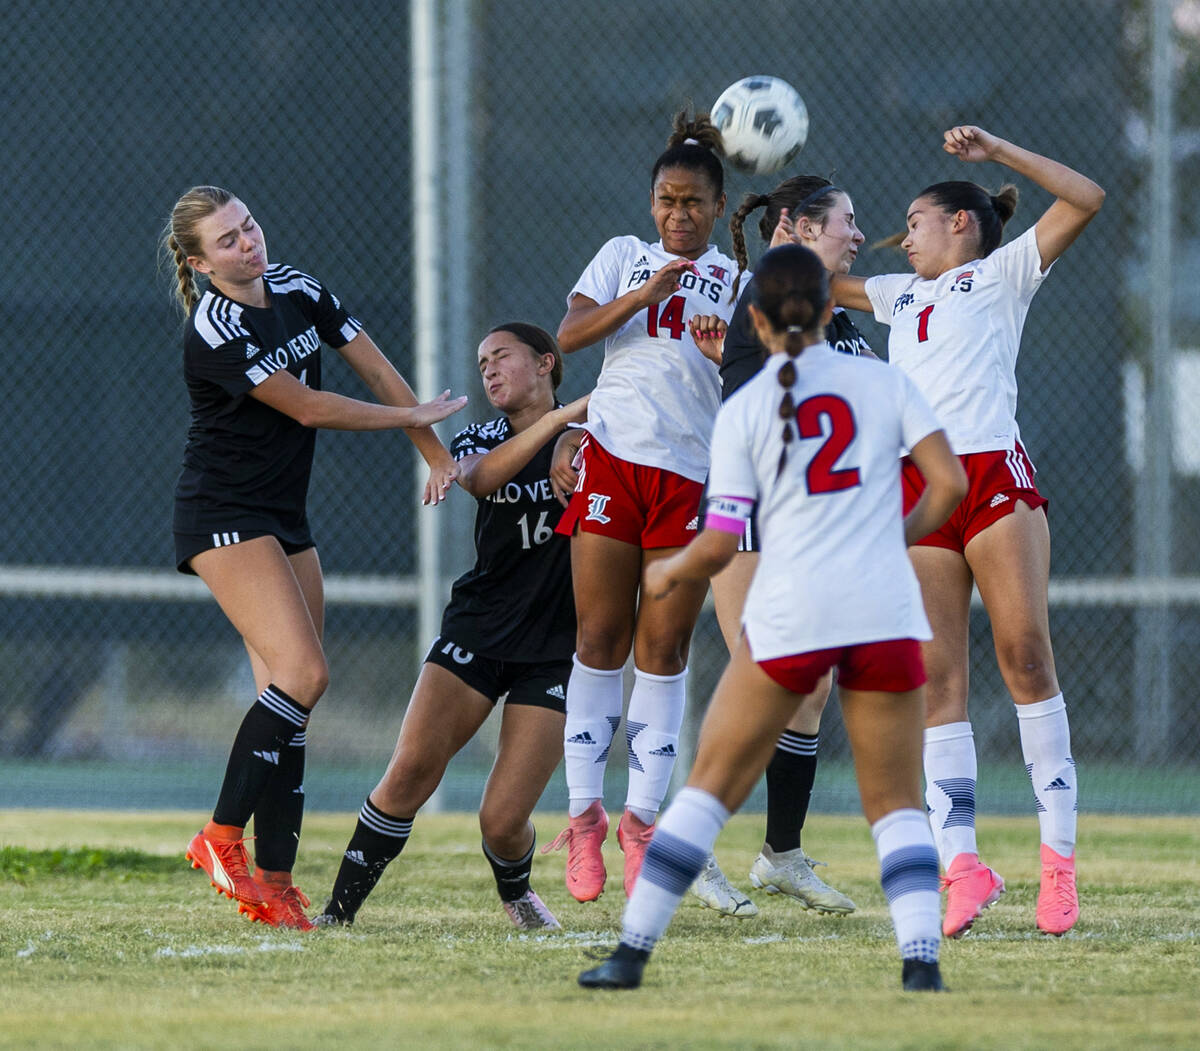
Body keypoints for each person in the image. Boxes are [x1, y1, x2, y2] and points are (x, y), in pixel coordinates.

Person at [577, 243, 967, 992]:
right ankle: (920, 962)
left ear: (752, 316)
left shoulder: (747, 405)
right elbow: (946, 482)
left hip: (796, 608)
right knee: (893, 801)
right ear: (830, 310)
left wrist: (674, 568)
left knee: (709, 787)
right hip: (882, 604)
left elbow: (721, 540)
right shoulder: (881, 380)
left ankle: (630, 955)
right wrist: (893, 536)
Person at [163, 185, 466, 930]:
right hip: (223, 517)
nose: (248, 243)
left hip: (281, 516)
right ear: (200, 264)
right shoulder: (214, 326)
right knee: (305, 673)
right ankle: (220, 837)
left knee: (290, 699)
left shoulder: (297, 285)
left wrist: (432, 452)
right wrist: (408, 417)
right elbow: (307, 405)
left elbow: (374, 368)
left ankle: (273, 883)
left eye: (250, 225)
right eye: (228, 241)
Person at [830, 125, 1105, 937]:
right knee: (936, 680)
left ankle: (1060, 868)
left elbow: (1085, 195)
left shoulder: (1004, 272)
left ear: (962, 222)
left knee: (1025, 656)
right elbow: (799, 283)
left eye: (916, 219)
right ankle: (964, 865)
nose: (902, 232)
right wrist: (803, 229)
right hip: (918, 485)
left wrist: (1000, 155)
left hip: (990, 475)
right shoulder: (894, 294)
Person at [315, 324, 588, 930]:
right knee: (409, 772)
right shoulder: (484, 434)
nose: (489, 370)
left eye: (503, 357)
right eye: (482, 361)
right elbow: (480, 476)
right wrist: (560, 425)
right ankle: (337, 914)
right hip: (479, 629)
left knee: (502, 819)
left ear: (546, 362)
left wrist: (574, 433)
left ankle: (516, 893)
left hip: (556, 648)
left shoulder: (595, 439)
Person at [542, 111, 742, 904]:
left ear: (719, 208)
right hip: (614, 460)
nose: (678, 213)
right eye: (666, 199)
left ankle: (642, 822)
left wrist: (731, 352)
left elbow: (765, 382)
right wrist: (643, 293)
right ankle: (584, 818)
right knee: (598, 636)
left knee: (663, 650)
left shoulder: (739, 280)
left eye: (693, 201)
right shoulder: (625, 256)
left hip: (690, 475)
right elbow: (568, 335)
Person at [690, 176, 873, 918]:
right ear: (796, 226)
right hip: (757, 505)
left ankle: (782, 855)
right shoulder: (772, 289)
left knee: (810, 684)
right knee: (759, 675)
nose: (859, 235)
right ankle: (688, 846)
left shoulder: (830, 309)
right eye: (846, 222)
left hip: (810, 519)